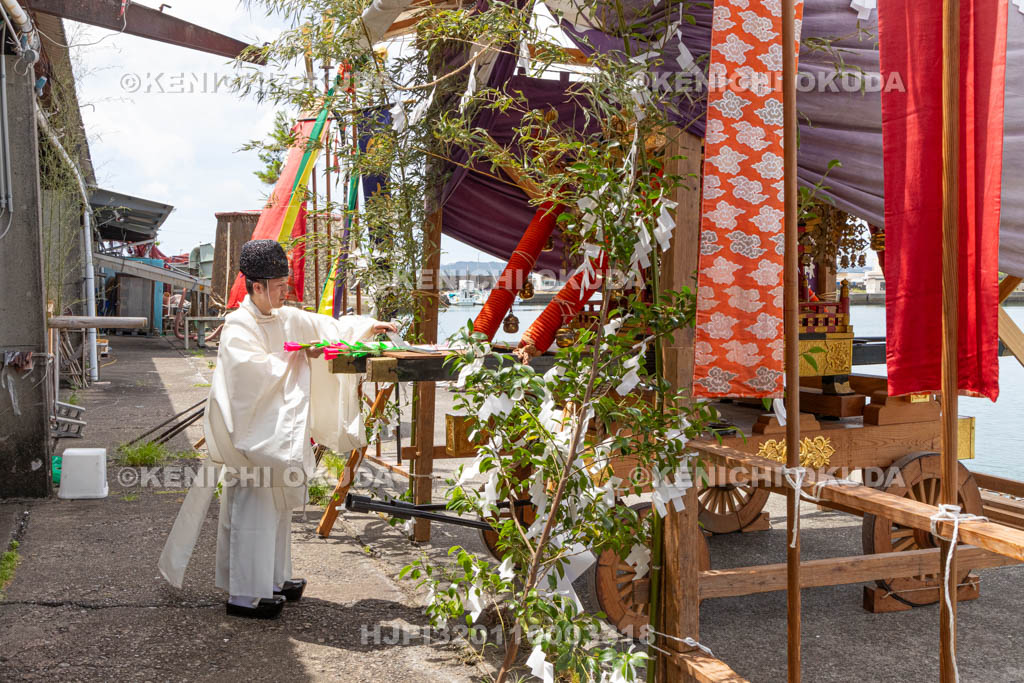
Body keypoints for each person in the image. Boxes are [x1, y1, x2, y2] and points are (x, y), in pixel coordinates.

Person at [159, 240, 396, 619]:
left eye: (287, 284)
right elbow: (246, 377)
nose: (287, 292)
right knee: (253, 514)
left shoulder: (283, 316)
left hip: (275, 432)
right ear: (257, 287)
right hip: (253, 437)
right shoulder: (239, 325)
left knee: (279, 511)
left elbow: (327, 327)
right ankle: (244, 596)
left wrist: (367, 326)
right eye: (280, 285)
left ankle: (273, 580)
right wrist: (297, 355)